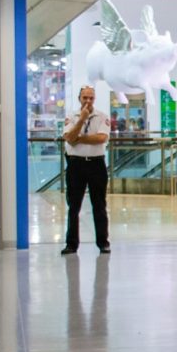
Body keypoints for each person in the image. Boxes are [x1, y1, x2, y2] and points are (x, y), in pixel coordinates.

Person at [62, 85, 111, 256]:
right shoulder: (71, 116)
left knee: (99, 205)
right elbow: (69, 139)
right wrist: (82, 120)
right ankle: (71, 244)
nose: (88, 101)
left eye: (91, 98)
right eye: (85, 98)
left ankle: (103, 243)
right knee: (73, 207)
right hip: (76, 166)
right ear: (79, 99)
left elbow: (101, 138)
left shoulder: (102, 117)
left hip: (96, 165)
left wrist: (79, 138)